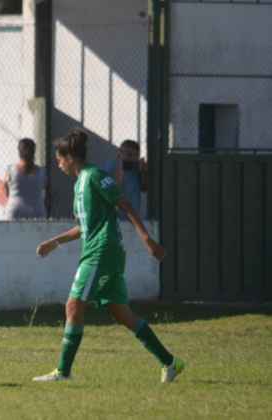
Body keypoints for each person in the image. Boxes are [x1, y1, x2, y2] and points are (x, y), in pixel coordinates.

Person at [32, 128, 184, 383]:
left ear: (69, 156)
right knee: (121, 313)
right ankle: (170, 362)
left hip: (101, 252)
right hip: (104, 253)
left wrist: (146, 238)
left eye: (59, 159)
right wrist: (54, 242)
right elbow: (84, 227)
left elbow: (124, 204)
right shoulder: (80, 183)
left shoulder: (95, 176)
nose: (57, 164)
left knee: (73, 304)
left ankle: (63, 371)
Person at [3, 138, 48, 219]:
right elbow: (49, 194)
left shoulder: (11, 170)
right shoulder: (42, 172)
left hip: (14, 212)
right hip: (37, 212)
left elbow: (6, 190)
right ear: (34, 152)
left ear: (19, 152)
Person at [103, 140, 147, 220]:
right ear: (121, 154)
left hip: (133, 219)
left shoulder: (136, 170)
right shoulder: (111, 168)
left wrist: (142, 171)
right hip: (114, 219)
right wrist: (120, 161)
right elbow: (116, 183)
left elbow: (144, 187)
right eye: (129, 155)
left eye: (135, 155)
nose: (132, 158)